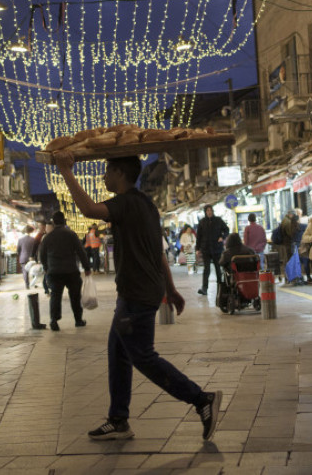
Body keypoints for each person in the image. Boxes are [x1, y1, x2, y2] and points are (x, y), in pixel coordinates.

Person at [53, 151, 221, 442]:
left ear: (119, 173)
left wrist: (67, 172)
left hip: (136, 293)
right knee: (118, 353)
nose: (103, 178)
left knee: (142, 356)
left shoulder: (127, 203)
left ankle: (201, 399)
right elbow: (156, 250)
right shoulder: (146, 204)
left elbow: (90, 210)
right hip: (141, 290)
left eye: (106, 172)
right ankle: (118, 419)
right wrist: (170, 289)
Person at [38, 211, 92, 331]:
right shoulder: (71, 234)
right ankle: (78, 320)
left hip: (54, 272)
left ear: (53, 222)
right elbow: (81, 252)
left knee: (55, 296)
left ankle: (54, 320)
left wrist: (47, 268)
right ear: (64, 221)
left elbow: (41, 255)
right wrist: (87, 267)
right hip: (71, 271)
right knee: (75, 296)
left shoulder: (48, 237)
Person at [196, 205, 229, 296]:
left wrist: (222, 237)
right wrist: (197, 249)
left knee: (218, 269)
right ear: (205, 212)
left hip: (217, 249)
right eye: (207, 210)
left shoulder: (218, 220)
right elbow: (198, 236)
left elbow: (226, 230)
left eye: (210, 210)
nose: (209, 212)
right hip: (206, 249)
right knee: (206, 269)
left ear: (213, 211)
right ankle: (204, 288)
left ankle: (220, 287)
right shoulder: (202, 222)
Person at [18, 225, 36, 289]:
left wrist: (20, 255)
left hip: (23, 257)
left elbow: (18, 250)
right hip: (32, 257)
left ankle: (27, 284)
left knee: (25, 271)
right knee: (33, 270)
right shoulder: (33, 239)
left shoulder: (20, 240)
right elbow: (35, 249)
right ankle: (34, 283)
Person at [34, 222, 50, 294]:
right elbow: (41, 252)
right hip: (47, 261)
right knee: (46, 275)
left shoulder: (44, 237)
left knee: (47, 275)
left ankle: (47, 289)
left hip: (48, 261)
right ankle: (47, 289)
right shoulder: (42, 236)